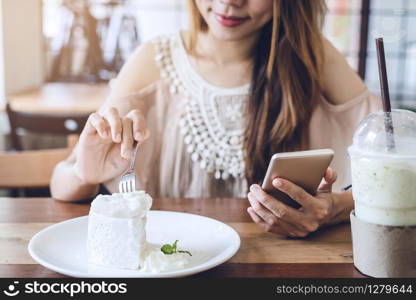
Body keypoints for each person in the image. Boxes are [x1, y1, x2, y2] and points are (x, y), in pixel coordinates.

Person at [51, 0, 381, 237]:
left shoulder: (312, 56)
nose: (229, 3)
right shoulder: (152, 59)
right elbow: (61, 183)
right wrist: (85, 172)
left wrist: (334, 209)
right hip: (168, 259)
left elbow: (398, 156)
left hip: (278, 261)